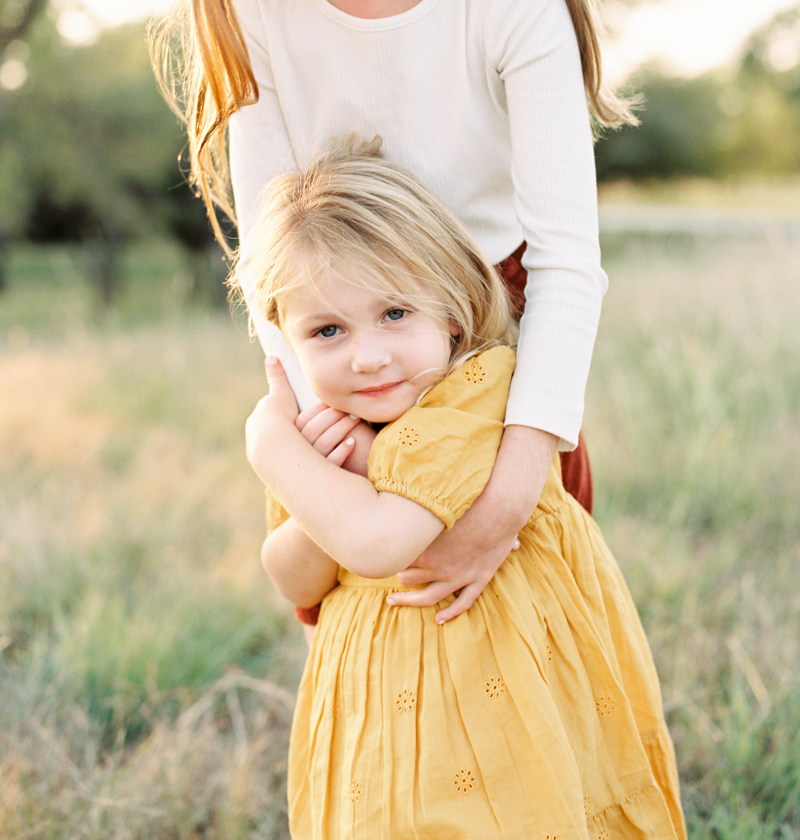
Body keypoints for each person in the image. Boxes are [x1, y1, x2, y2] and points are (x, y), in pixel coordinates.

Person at [156, 0, 636, 621]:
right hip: (346, 374)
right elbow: (272, 261)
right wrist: (333, 433)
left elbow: (566, 258)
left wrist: (513, 489)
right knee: (378, 633)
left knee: (524, 627)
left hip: (496, 362)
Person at [242, 138, 685, 840]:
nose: (368, 355)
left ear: (451, 310)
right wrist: (318, 486)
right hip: (381, 708)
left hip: (502, 687)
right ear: (287, 342)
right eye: (326, 329)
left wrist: (269, 448)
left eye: (395, 314)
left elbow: (380, 539)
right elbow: (294, 578)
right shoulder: (322, 430)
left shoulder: (478, 391)